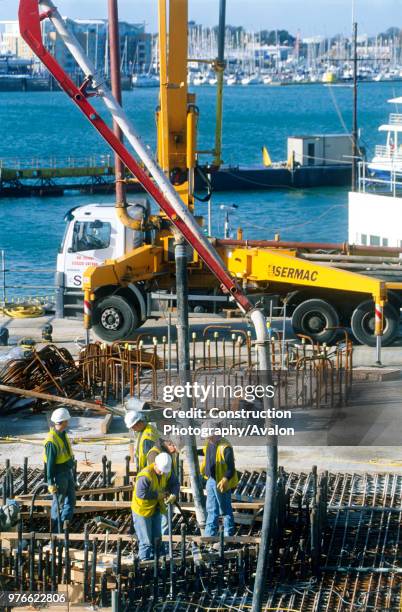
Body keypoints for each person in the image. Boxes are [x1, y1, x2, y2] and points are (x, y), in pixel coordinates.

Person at [131, 453, 179, 560]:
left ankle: (157, 562)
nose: (162, 473)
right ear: (155, 464)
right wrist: (158, 495)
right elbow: (141, 493)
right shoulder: (146, 475)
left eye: (164, 471)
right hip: (142, 511)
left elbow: (175, 483)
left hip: (156, 508)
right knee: (146, 541)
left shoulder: (167, 472)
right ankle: (144, 562)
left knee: (157, 539)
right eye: (160, 470)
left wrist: (174, 494)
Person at [200, 422, 239, 537]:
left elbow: (231, 468)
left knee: (225, 509)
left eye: (210, 437)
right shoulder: (209, 443)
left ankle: (228, 535)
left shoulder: (225, 447)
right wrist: (192, 452)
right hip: (211, 480)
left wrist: (225, 479)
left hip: (221, 482)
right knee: (211, 509)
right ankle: (209, 535)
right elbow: (204, 452)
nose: (208, 439)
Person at [43, 407, 76, 533]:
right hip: (58, 475)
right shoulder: (51, 441)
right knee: (58, 503)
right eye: (67, 420)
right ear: (63, 421)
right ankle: (56, 532)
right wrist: (50, 482)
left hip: (67, 472)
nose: (68, 422)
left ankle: (64, 524)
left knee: (71, 500)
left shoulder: (63, 434)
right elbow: (50, 464)